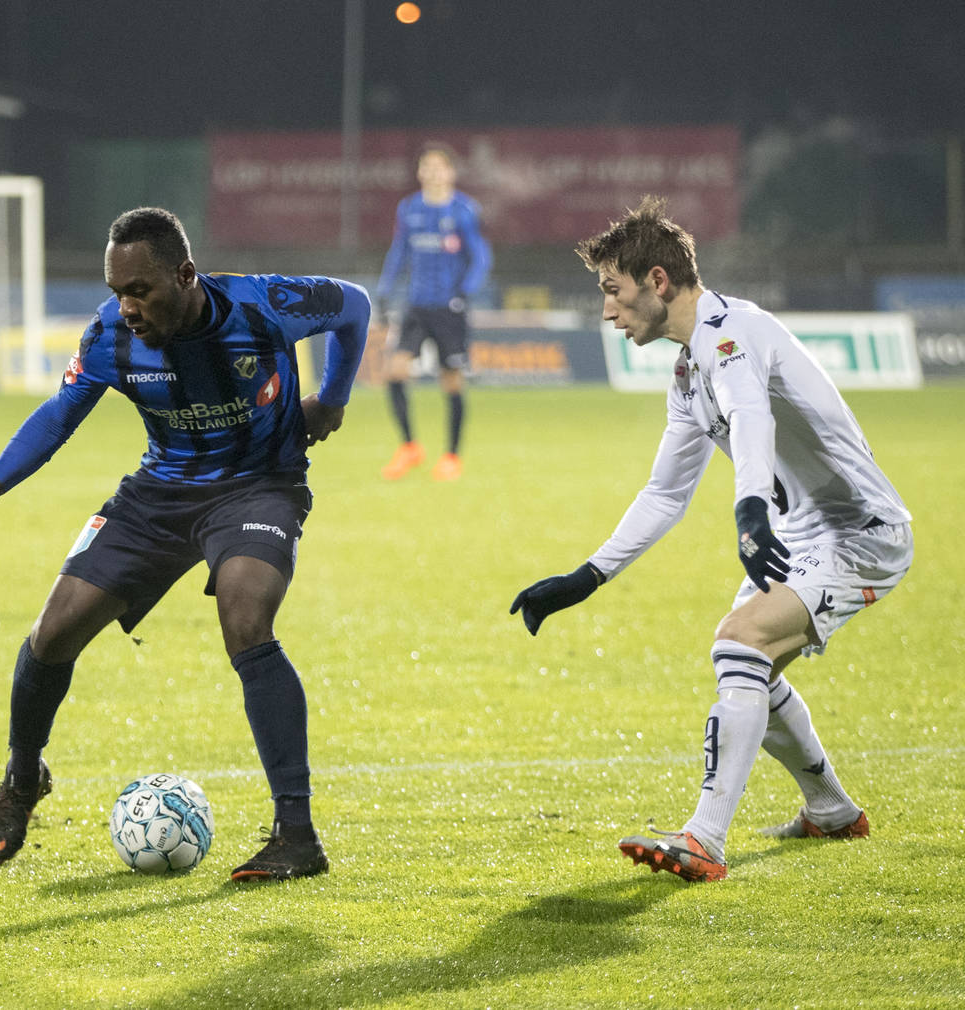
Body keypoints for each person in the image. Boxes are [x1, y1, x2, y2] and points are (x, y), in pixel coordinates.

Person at [0, 207, 369, 881]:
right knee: (51, 636)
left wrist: (332, 399)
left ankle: (296, 835)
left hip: (258, 487)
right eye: (117, 292)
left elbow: (356, 307)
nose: (127, 306)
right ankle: (22, 780)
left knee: (246, 617)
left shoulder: (263, 306)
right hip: (158, 496)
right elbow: (59, 415)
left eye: (141, 290)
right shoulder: (109, 338)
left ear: (186, 275)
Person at [510, 196, 912, 882]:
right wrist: (587, 576)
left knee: (739, 642)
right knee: (751, 661)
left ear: (658, 281)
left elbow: (752, 414)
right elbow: (665, 492)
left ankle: (704, 839)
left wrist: (751, 512)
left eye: (614, 290)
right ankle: (832, 810)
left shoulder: (733, 332)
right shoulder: (688, 370)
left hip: (859, 533)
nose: (607, 311)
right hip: (801, 533)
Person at [374, 143, 491, 482]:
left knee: (451, 381)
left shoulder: (464, 210)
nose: (433, 173)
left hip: (448, 309)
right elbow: (399, 252)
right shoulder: (408, 209)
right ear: (420, 172)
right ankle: (410, 447)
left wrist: (464, 292)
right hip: (416, 306)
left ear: (451, 172)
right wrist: (384, 290)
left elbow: (481, 257)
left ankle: (452, 456)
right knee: (395, 372)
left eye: (440, 167)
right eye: (427, 167)